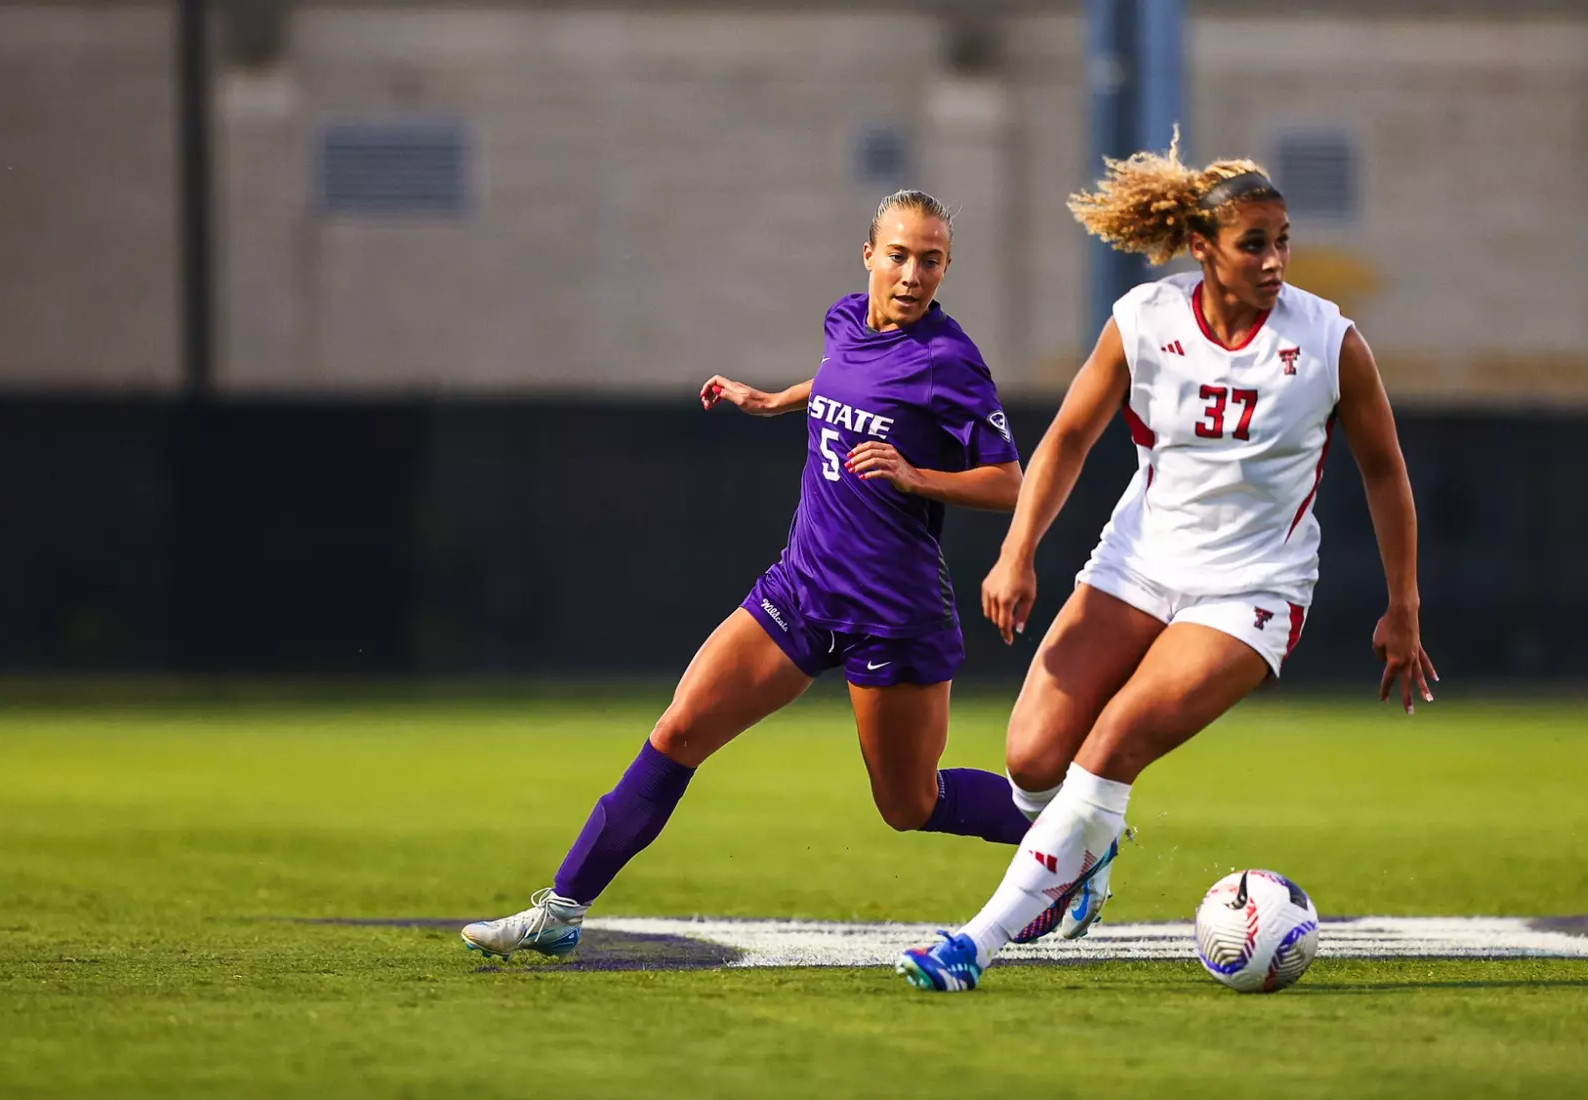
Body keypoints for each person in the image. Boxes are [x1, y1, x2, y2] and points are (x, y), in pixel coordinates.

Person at [896, 142, 1438, 993]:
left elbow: (1384, 469)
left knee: (1109, 747)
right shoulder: (1145, 320)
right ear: (1203, 249)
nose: (1273, 261)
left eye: (1282, 241)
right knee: (1033, 757)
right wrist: (1018, 552)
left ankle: (976, 943)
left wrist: (1402, 605)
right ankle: (1088, 855)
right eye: (1253, 243)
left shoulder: (1329, 340)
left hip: (1252, 591)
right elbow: (1069, 436)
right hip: (1137, 565)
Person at [463, 190, 1047, 959]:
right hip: (801, 589)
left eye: (931, 260)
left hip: (892, 609)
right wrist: (776, 400)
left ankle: (1069, 835)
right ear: (868, 255)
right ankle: (562, 910)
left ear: (945, 268)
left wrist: (917, 476)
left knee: (909, 803)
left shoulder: (948, 360)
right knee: (677, 732)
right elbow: (845, 382)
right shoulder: (845, 320)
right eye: (899, 255)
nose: (913, 274)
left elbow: (1011, 481)